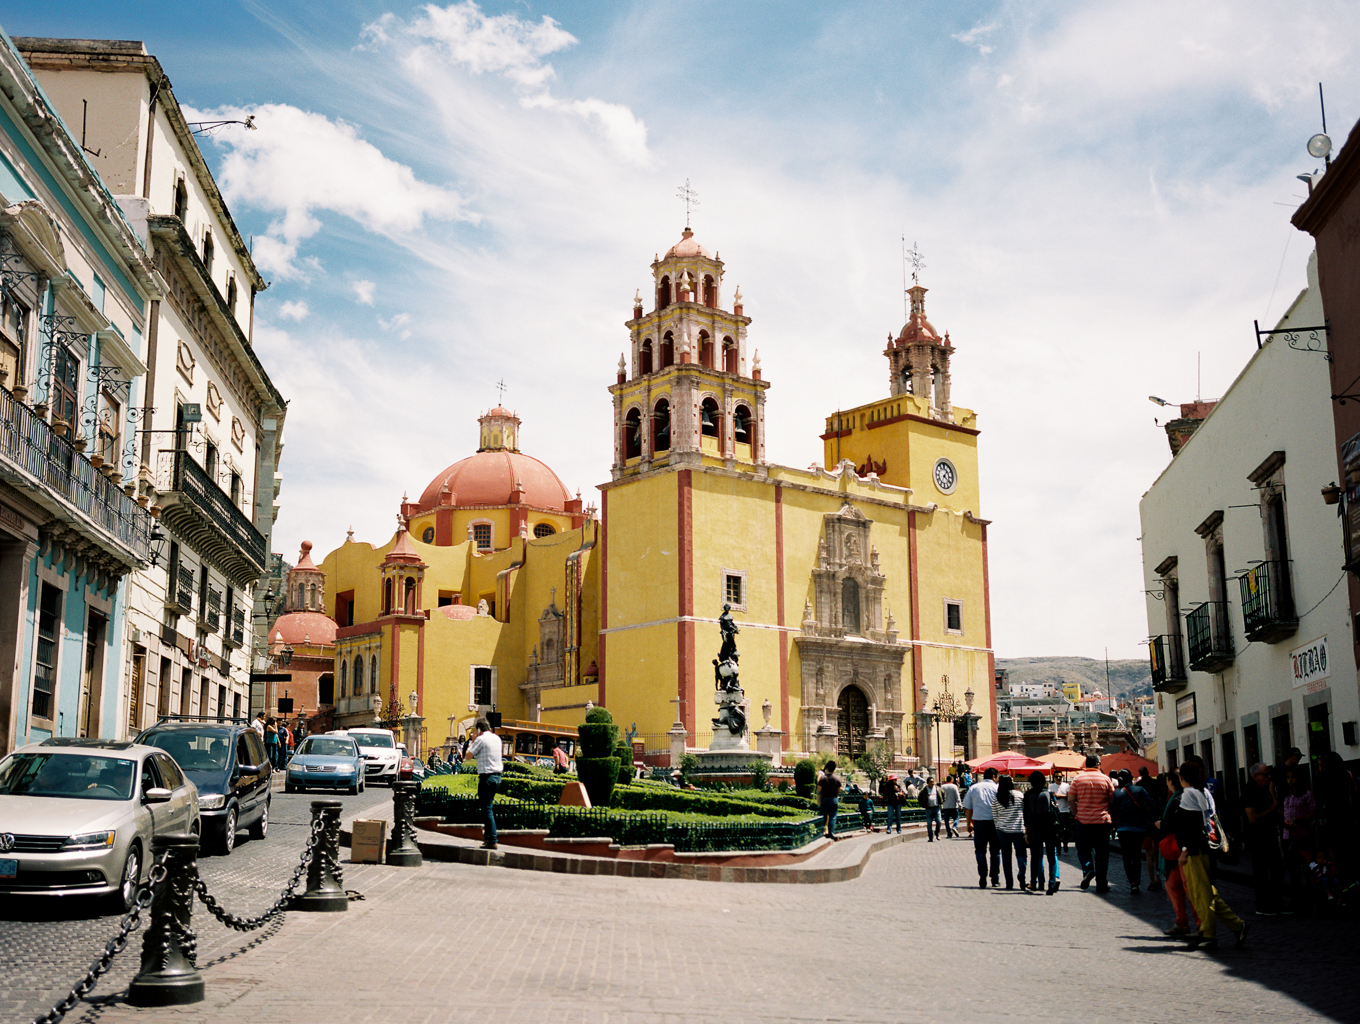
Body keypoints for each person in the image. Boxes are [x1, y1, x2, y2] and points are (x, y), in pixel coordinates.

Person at [1176, 760, 1247, 950]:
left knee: (1201, 894)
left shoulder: (1189, 795)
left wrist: (1184, 851)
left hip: (1195, 851)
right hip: (1207, 848)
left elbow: (1189, 827)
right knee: (1209, 892)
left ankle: (1208, 935)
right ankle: (1237, 924)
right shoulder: (1205, 792)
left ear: (1182, 777)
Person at [1241, 762, 1287, 916]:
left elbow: (1273, 809)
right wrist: (1272, 808)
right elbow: (1253, 818)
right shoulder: (1250, 792)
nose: (1269, 777)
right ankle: (1262, 905)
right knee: (1262, 871)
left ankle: (1275, 902)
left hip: (1270, 834)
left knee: (1277, 869)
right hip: (1258, 838)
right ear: (1255, 776)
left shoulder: (1264, 790)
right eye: (1266, 774)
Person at [1156, 771, 1197, 937]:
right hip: (1174, 852)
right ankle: (1181, 922)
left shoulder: (1180, 798)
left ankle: (1202, 925)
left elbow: (1179, 823)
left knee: (1190, 889)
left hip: (1181, 850)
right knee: (1172, 885)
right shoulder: (1174, 797)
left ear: (1171, 781)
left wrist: (1162, 824)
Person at [1067, 754, 1114, 894]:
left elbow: (1070, 800)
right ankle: (1101, 884)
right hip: (1102, 822)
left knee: (1082, 849)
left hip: (1083, 821)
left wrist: (1077, 813)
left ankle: (1088, 869)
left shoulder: (1077, 779)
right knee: (1102, 854)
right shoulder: (1106, 779)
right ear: (1098, 764)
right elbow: (1112, 800)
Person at [1111, 768, 1156, 894]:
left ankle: (1132, 883)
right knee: (1136, 855)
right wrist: (1143, 811)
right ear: (1131, 777)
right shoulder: (1139, 790)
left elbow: (1113, 810)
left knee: (1126, 856)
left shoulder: (1117, 793)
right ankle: (1137, 881)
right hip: (1139, 828)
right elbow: (1152, 803)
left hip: (1123, 829)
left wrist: (1115, 825)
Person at [466, 717, 503, 850]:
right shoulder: (497, 738)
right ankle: (488, 838)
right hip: (497, 777)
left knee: (487, 808)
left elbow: (467, 756)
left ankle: (492, 839)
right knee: (489, 807)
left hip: (486, 777)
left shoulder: (481, 739)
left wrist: (472, 740)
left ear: (479, 729)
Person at [962, 767, 1001, 888]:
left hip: (979, 823)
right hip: (994, 823)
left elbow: (967, 807)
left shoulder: (974, 788)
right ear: (994, 777)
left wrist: (969, 823)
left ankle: (982, 876)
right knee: (995, 852)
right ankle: (995, 878)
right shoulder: (997, 788)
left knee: (980, 851)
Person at [1022, 770, 1060, 894]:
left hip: (1034, 829)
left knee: (1035, 857)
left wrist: (1027, 832)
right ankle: (1052, 883)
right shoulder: (1049, 794)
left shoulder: (1028, 795)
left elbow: (1026, 815)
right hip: (1049, 828)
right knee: (1051, 857)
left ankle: (1034, 882)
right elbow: (1055, 811)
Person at [992, 774, 1028, 890]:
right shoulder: (1019, 795)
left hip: (1002, 830)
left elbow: (995, 815)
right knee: (1021, 854)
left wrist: (998, 826)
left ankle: (1009, 882)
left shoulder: (997, 798)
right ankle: (1022, 875)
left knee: (1006, 857)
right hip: (1018, 828)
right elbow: (1024, 810)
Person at [818, 761, 843, 840]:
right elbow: (839, 790)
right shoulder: (837, 778)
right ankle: (831, 832)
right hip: (834, 799)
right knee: (832, 817)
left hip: (824, 799)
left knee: (823, 815)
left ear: (827, 768)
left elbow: (819, 789)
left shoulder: (822, 778)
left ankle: (821, 832)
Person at [1052, 773, 1072, 853]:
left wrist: (1058, 795)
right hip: (1056, 812)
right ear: (1054, 777)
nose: (1059, 778)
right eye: (1057, 776)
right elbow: (1051, 796)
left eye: (1060, 776)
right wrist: (1062, 795)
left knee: (1067, 830)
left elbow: (1069, 796)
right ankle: (1058, 847)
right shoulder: (1051, 786)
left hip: (1065, 811)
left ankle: (1065, 843)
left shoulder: (1066, 786)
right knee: (1057, 831)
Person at [919, 776, 943, 841]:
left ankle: (937, 833)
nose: (932, 783)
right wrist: (923, 805)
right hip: (928, 809)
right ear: (928, 783)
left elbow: (943, 794)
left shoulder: (937, 789)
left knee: (939, 821)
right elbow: (919, 798)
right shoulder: (924, 790)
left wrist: (941, 802)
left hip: (936, 808)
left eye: (933, 781)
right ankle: (930, 837)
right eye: (931, 782)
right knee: (929, 824)